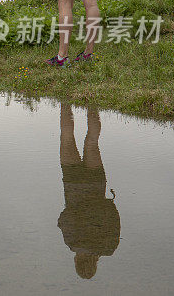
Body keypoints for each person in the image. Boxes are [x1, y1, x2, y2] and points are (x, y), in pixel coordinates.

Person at [57, 103, 120, 279]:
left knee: (92, 142)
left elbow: (115, 220)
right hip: (72, 183)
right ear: (77, 262)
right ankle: (65, 100)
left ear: (94, 265)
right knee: (67, 138)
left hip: (95, 185)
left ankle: (92, 103)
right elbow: (65, 217)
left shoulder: (108, 246)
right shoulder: (73, 243)